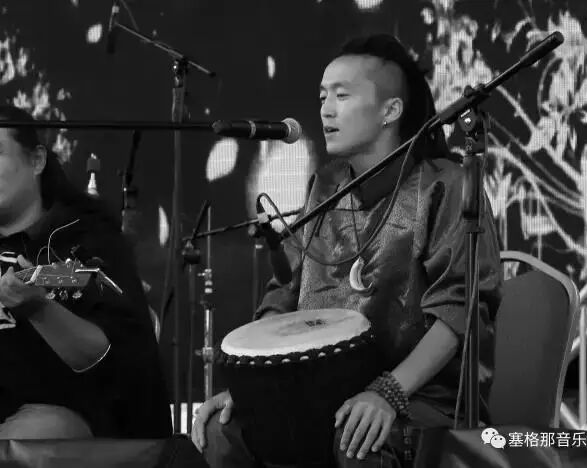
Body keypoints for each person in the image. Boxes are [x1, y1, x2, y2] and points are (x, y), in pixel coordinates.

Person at [192, 34, 502, 467]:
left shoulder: (445, 184)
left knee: (357, 441)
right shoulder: (326, 186)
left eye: (342, 95)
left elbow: (458, 309)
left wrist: (388, 393)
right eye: (322, 96)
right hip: (316, 390)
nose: (326, 109)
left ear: (390, 111)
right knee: (219, 432)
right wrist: (254, 387)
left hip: (421, 394)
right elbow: (285, 291)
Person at [0, 105, 172, 439]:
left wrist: (39, 307)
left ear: (36, 160)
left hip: (70, 427)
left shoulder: (86, 241)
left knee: (41, 433)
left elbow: (117, 364)